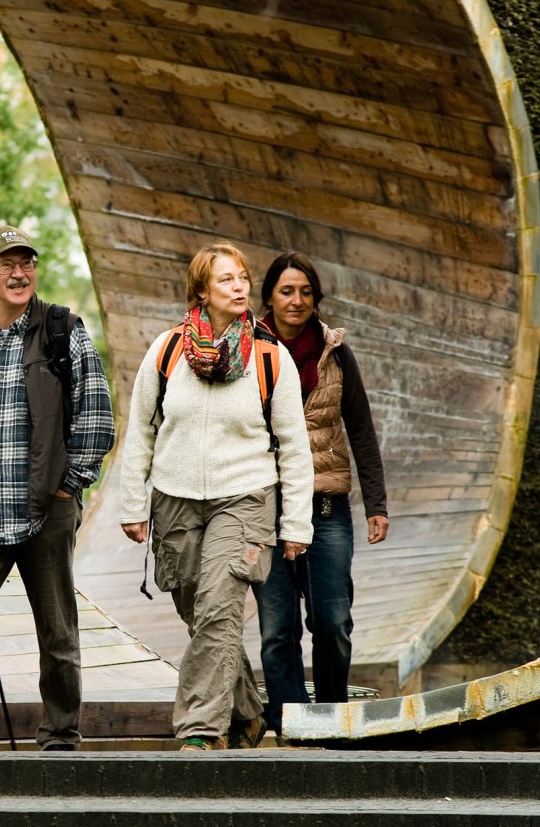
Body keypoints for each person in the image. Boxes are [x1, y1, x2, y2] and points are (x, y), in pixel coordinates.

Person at [117, 242, 313, 750]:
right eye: (226, 279)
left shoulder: (271, 358)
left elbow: (293, 446)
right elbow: (140, 429)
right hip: (175, 499)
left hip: (245, 498)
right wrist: (133, 505)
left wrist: (295, 524)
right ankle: (248, 711)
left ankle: (201, 731)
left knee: (219, 610)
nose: (240, 286)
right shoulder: (166, 351)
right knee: (200, 614)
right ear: (202, 290)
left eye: (243, 277)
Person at [0, 224, 116, 752]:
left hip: (46, 507)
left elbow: (96, 417)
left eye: (27, 264)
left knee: (57, 629)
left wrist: (71, 486)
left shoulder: (62, 329)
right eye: (7, 264)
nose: (19, 273)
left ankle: (61, 731)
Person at [253, 251, 389, 737]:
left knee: (332, 622)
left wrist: (377, 504)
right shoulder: (246, 349)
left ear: (316, 299)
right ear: (269, 295)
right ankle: (291, 724)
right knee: (277, 630)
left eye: (305, 292)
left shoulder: (336, 352)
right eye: (286, 291)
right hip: (265, 508)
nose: (296, 300)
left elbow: (361, 430)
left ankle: (330, 720)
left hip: (325, 509)